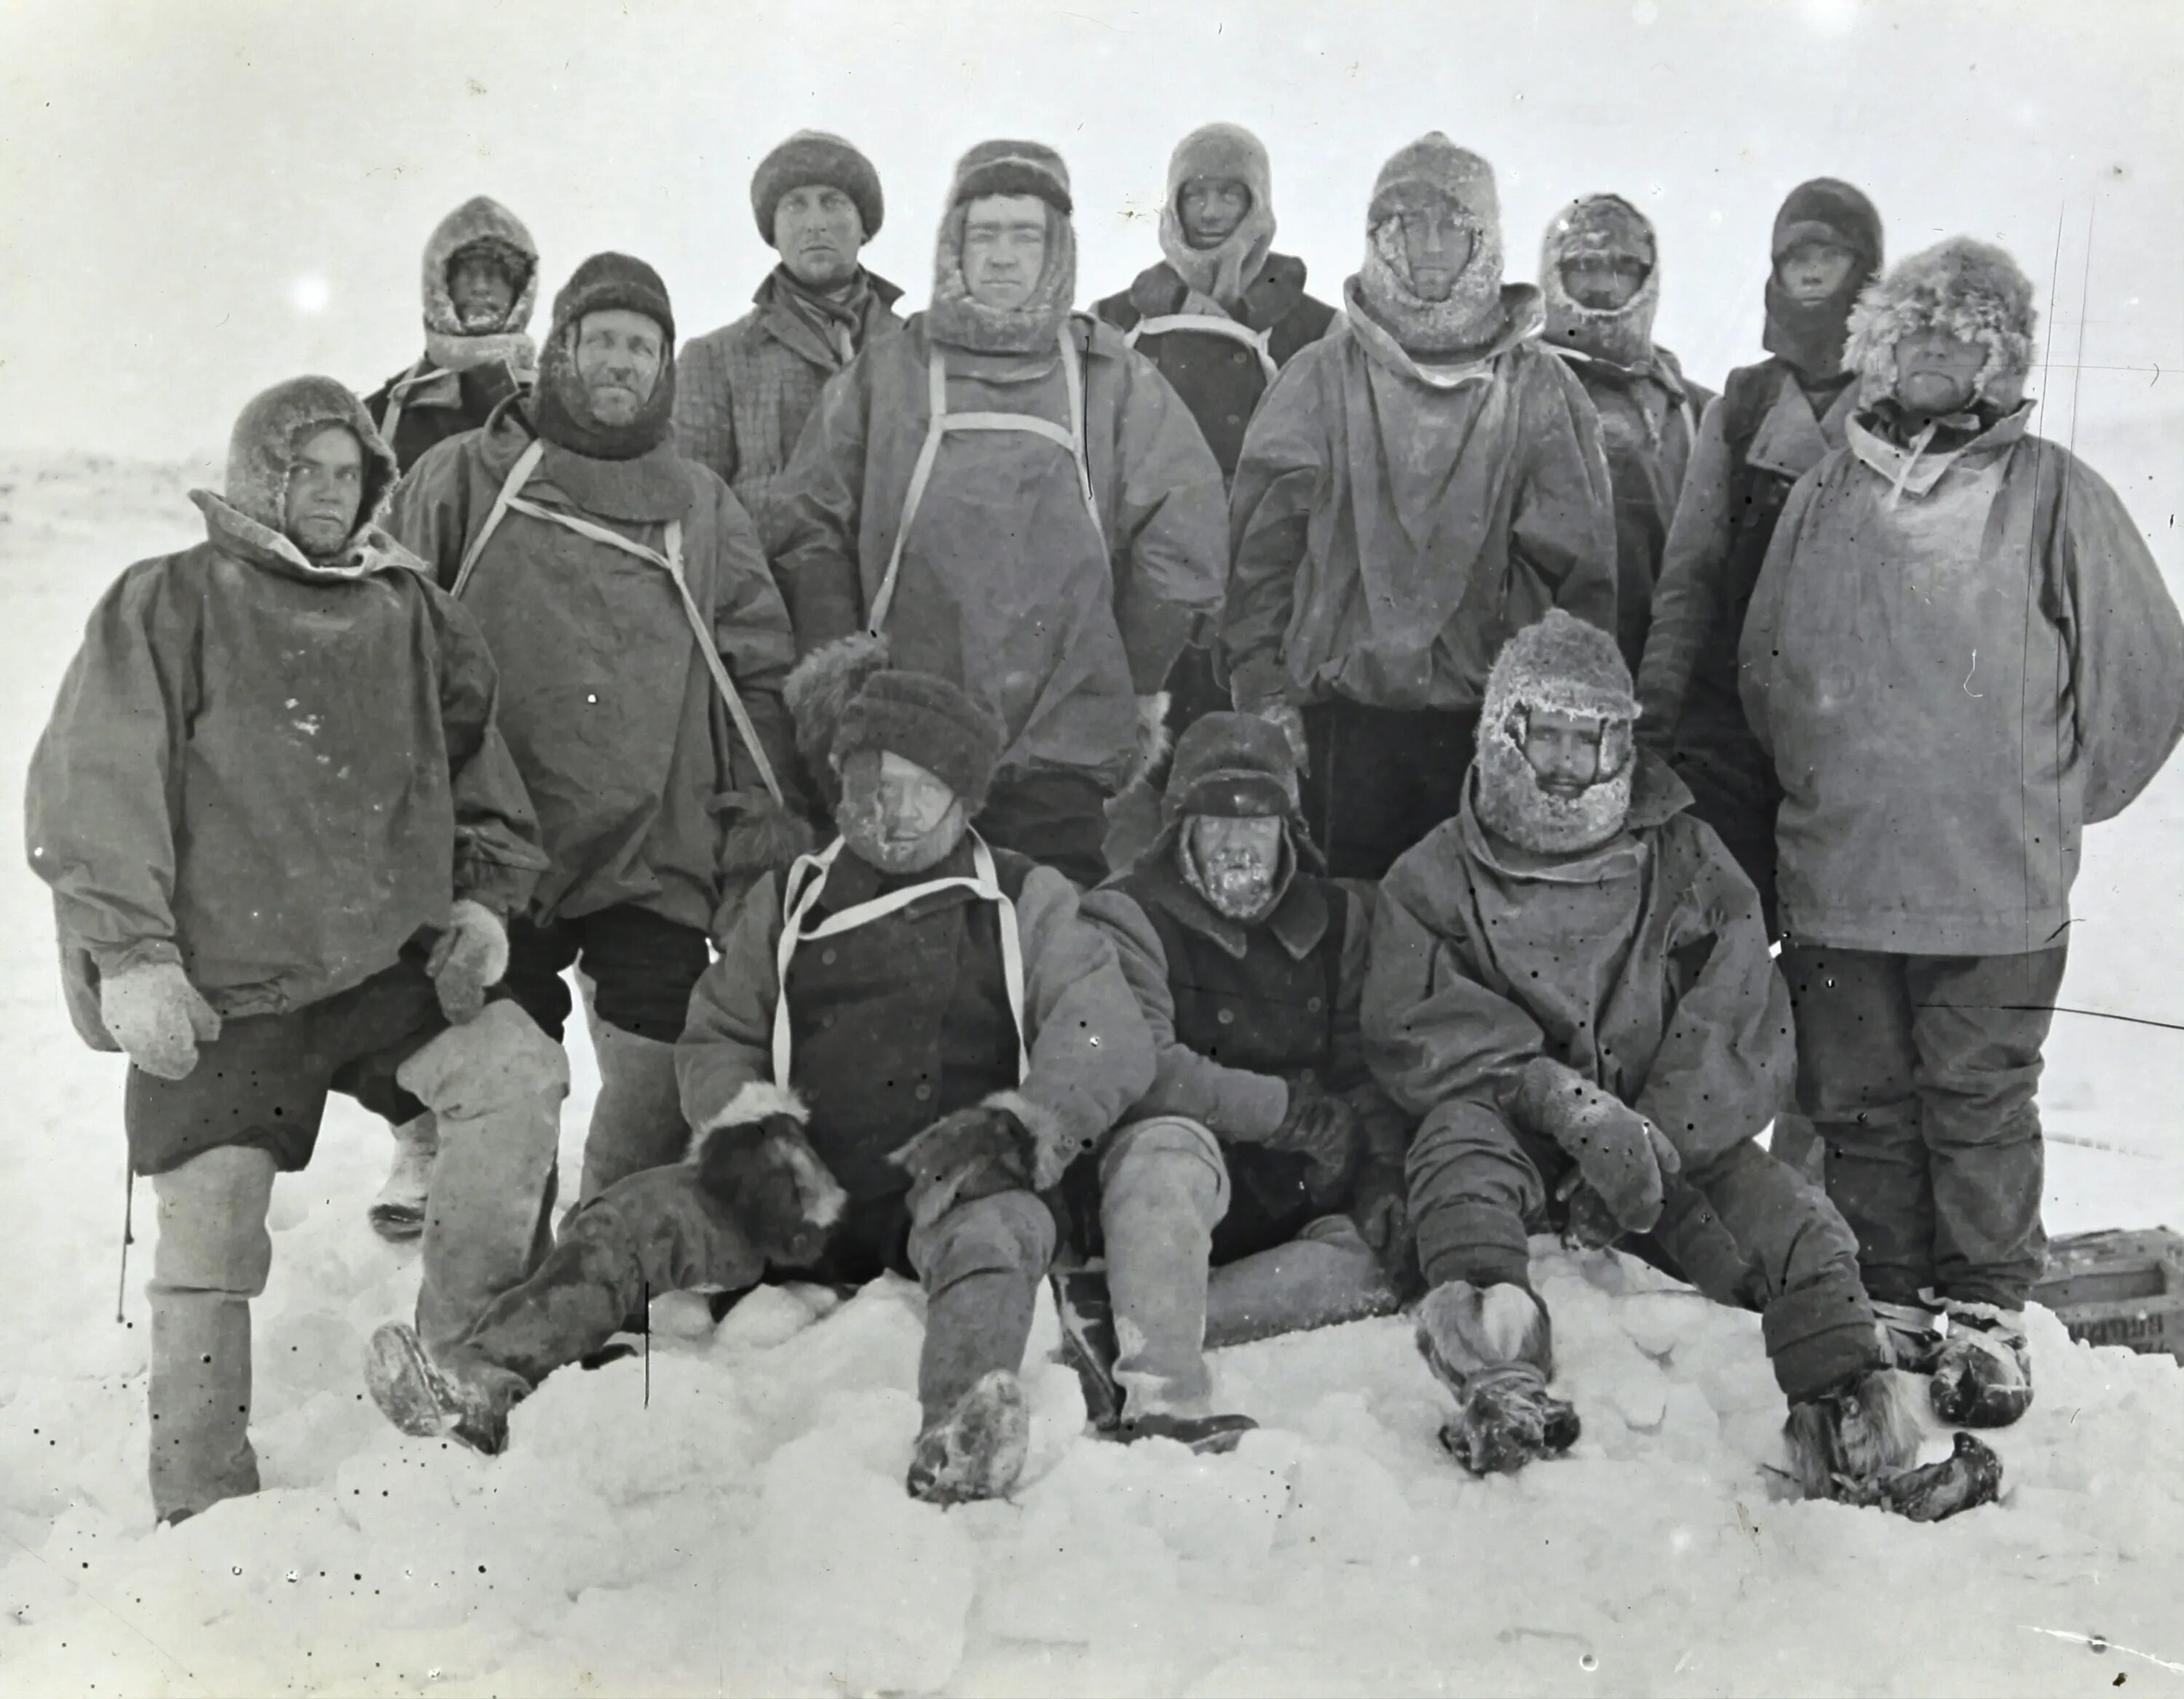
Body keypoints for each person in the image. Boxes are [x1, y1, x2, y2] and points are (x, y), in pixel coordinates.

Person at [362, 657, 1155, 1506]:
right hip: (798, 1194)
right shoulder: (793, 897)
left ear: (962, 799)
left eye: (918, 792)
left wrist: (1019, 1128)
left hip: (950, 1187)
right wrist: (747, 1128)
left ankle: (955, 1435)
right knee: (633, 1216)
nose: (889, 815)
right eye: (869, 788)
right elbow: (720, 1032)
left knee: (1003, 1237)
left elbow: (1105, 1033)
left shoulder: (1023, 899)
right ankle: (482, 1379)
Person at [25, 377, 563, 1525]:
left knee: (517, 1076)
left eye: (348, 472)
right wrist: (132, 960)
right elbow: (93, 788)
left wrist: (481, 904)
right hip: (231, 989)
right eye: (304, 470)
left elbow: (484, 778)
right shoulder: (170, 600)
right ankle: (202, 1500)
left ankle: (458, 1361)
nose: (328, 492)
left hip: (383, 971)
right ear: (259, 476)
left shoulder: (408, 611)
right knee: (212, 1229)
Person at [1361, 611, 1993, 1518]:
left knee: (1796, 1226)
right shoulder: (1432, 877)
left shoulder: (1685, 855)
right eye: (1550, 737)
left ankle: (1860, 1435)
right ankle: (1501, 1380)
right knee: (1457, 1160)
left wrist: (1650, 1136)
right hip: (1513, 1131)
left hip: (1665, 1149)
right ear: (1505, 734)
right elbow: (1420, 1028)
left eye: (1595, 739)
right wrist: (1570, 1108)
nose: (1573, 764)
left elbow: (1738, 1014)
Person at [1742, 237, 2184, 1432]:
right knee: (1865, 1107)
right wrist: (1828, 785)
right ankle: (1888, 1299)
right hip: (1840, 882)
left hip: (1996, 890)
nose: (1937, 358)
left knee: (1980, 1102)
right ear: (1880, 349)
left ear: (2001, 359)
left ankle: (1987, 1316)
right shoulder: (1828, 493)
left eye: (1966, 339)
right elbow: (1767, 669)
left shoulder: (2051, 491)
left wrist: (2047, 800)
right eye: (1916, 335)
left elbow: (2145, 674)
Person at [387, 253, 808, 1208]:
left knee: (658, 1053)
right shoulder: (466, 475)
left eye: (641, 346)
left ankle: (605, 1256)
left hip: (652, 833)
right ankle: (499, 1266)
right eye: (603, 340)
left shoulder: (699, 502)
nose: (621, 362)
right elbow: (392, 638)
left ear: (666, 367)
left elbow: (757, 669)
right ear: (562, 351)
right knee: (505, 1068)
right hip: (500, 839)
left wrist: (759, 818)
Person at [768, 139, 1229, 888]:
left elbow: (1185, 540)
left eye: (1027, 236)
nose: (1005, 257)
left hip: (1060, 741)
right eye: (985, 235)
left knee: (1051, 947)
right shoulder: (894, 368)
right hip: (908, 731)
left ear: (1059, 250)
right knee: (916, 951)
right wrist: (842, 668)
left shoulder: (1109, 374)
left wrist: (1129, 676)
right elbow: (806, 519)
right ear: (954, 245)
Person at [1222, 134, 1617, 880]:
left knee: (1471, 962)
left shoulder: (1540, 392)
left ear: (1486, 240)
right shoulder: (1318, 381)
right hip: (1338, 734)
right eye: (1407, 225)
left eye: (1453, 226)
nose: (1430, 247)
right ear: (1378, 237)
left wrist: (1561, 734)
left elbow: (1583, 586)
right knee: (1349, 954)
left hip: (1492, 740)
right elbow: (1260, 561)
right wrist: (1266, 695)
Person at [1067, 712, 1415, 1449]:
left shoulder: (1339, 918)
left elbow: (1362, 1063)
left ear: (1288, 827)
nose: (1236, 838)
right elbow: (1145, 1065)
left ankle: (1117, 1316)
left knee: (1384, 1260)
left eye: (1257, 818)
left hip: (1287, 1194)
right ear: (1178, 826)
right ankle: (1164, 1400)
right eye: (1214, 815)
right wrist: (1287, 1111)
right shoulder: (1125, 913)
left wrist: (1380, 1167)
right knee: (1166, 1145)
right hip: (1172, 1185)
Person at [1634, 178, 1883, 934]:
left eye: (1829, 252)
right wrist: (1654, 724)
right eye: (1794, 253)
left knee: (1830, 962)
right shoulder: (1740, 408)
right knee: (1714, 942)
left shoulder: (1896, 406)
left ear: (1864, 268)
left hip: (1851, 738)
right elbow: (1689, 580)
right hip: (1727, 728)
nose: (1809, 269)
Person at [674, 132, 903, 536]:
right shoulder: (714, 358)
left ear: (864, 226)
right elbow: (695, 519)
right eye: (795, 205)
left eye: (833, 202)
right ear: (773, 232)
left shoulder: (916, 351)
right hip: (772, 595)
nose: (815, 223)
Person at [1538, 194, 1715, 674]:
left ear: (1647, 276)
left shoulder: (1697, 412)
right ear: (1554, 273)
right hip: (1540, 682)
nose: (1601, 283)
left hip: (1660, 677)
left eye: (1622, 266)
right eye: (1582, 265)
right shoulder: (1509, 387)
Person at [365, 196, 539, 472]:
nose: (481, 286)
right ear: (441, 284)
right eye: (467, 273)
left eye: (496, 273)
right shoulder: (378, 418)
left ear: (520, 291)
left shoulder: (556, 407)